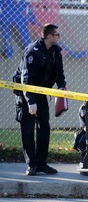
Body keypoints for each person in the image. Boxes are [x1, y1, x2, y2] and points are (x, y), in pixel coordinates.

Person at [15, 23, 66, 176]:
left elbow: (59, 72)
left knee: (44, 128)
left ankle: (41, 164)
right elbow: (25, 79)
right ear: (49, 36)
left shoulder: (56, 51)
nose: (59, 37)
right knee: (28, 129)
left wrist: (62, 86)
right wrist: (30, 102)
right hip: (26, 95)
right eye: (57, 35)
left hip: (41, 93)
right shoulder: (33, 51)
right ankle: (31, 165)